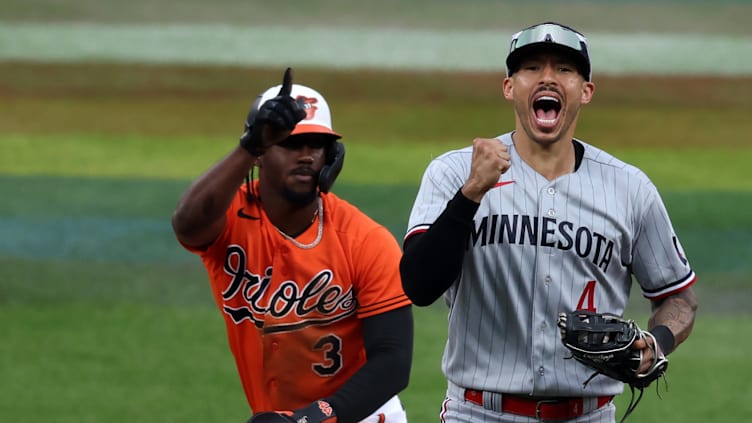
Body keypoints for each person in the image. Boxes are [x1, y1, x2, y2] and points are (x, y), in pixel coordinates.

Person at [399, 22, 698, 422]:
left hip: (587, 415)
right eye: (532, 67)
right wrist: (471, 194)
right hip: (477, 413)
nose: (547, 78)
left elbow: (677, 296)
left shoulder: (630, 188)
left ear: (586, 91)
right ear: (509, 87)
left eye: (564, 69)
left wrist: (655, 343)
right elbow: (418, 286)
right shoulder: (454, 173)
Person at [172, 68, 413, 423]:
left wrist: (309, 419)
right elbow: (187, 225)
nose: (305, 156)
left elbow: (392, 361)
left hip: (357, 415)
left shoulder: (365, 240)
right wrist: (249, 145)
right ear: (260, 153)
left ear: (332, 156)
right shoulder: (230, 220)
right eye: (288, 143)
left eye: (315, 145)